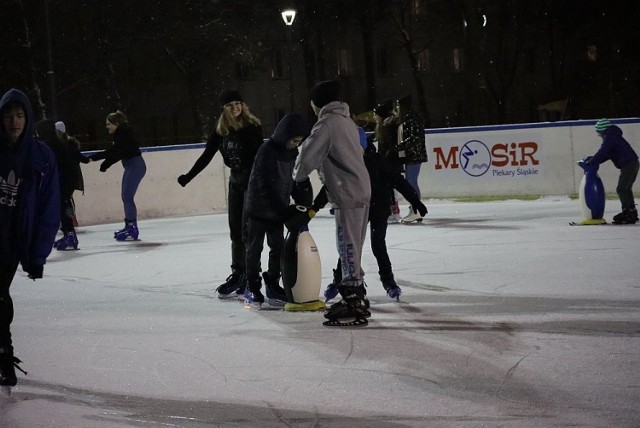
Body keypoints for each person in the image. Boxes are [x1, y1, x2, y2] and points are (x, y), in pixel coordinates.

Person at [292, 79, 372, 327]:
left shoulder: (326, 124)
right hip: (361, 189)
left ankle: (352, 301)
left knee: (347, 247)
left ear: (317, 103)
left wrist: (297, 171)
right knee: (354, 247)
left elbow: (306, 160)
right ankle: (356, 292)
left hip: (347, 193)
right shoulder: (347, 120)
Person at [0, 89, 60, 390]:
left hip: (12, 241)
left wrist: (37, 256)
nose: (14, 121)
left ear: (28, 118)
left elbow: (48, 209)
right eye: (9, 116)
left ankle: (3, 353)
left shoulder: (41, 156)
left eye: (20, 115)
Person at [178, 90, 263, 299]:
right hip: (235, 183)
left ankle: (252, 276)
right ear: (223, 108)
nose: (235, 107)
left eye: (238, 103)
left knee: (247, 231)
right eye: (230, 104)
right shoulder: (220, 131)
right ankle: (239, 273)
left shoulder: (252, 127)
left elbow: (260, 158)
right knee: (235, 230)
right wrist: (188, 176)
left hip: (251, 184)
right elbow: (206, 156)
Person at [242, 114, 313, 309]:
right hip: (258, 209)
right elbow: (264, 184)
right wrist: (281, 208)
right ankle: (252, 285)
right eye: (295, 140)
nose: (296, 144)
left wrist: (301, 202)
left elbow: (292, 180)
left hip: (277, 210)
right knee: (255, 248)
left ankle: (272, 282)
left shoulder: (292, 153)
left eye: (299, 141)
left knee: (278, 247)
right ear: (286, 134)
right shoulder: (267, 150)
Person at [89, 111, 147, 240]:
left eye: (109, 124)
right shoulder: (121, 134)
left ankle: (132, 228)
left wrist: (97, 158)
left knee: (127, 196)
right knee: (126, 196)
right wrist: (106, 164)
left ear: (116, 124)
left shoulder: (123, 134)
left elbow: (116, 151)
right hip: (132, 165)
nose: (107, 127)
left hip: (135, 166)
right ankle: (129, 226)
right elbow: (118, 152)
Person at [35, 120, 90, 250]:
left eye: (38, 131)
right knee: (61, 205)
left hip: (64, 178)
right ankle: (68, 234)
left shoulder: (50, 142)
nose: (37, 133)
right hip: (65, 178)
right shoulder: (53, 140)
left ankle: (70, 235)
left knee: (61, 205)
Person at [584, 118, 639, 224]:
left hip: (629, 165)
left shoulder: (610, 137)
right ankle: (631, 212)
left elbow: (603, 151)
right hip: (632, 163)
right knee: (626, 188)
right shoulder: (613, 135)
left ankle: (628, 213)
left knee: (622, 189)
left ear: (602, 130)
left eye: (599, 133)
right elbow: (607, 154)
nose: (599, 135)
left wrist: (592, 161)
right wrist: (595, 160)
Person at [395, 95, 428, 224]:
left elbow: (414, 138)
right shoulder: (409, 117)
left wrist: (399, 147)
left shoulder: (411, 118)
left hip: (414, 155)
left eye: (398, 106)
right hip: (412, 155)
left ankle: (416, 209)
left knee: (411, 183)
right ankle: (415, 209)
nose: (397, 108)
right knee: (411, 182)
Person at [373, 99, 402, 223]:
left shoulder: (387, 126)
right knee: (389, 188)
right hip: (388, 161)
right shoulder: (383, 126)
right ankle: (392, 210)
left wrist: (384, 161)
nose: (374, 116)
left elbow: (389, 146)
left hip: (389, 162)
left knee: (389, 187)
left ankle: (393, 211)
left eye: (375, 114)